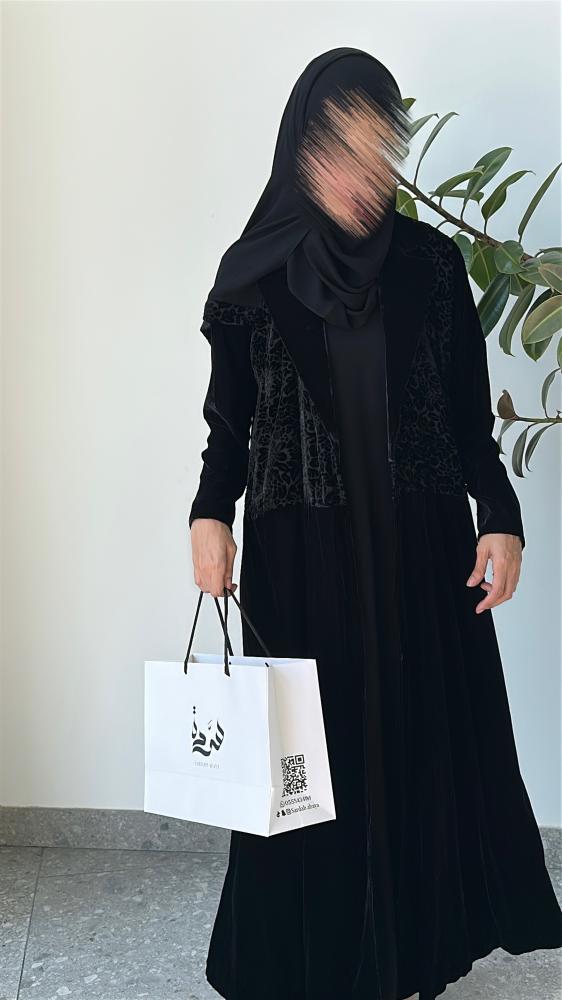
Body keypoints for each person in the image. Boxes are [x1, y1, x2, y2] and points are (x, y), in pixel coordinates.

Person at [188, 47, 562, 1000]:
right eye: (341, 152)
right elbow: (229, 426)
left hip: (419, 555)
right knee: (310, 764)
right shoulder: (251, 281)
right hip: (302, 561)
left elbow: (471, 424)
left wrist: (502, 515)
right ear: (301, 153)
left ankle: (411, 957)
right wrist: (208, 513)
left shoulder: (432, 269)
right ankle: (313, 963)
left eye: (379, 152)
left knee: (418, 751)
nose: (363, 176)